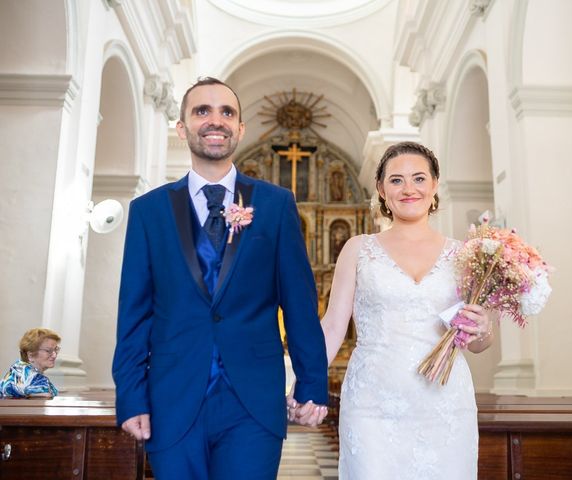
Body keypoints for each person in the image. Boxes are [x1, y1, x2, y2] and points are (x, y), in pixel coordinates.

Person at [112, 77, 328, 480]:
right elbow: (134, 315)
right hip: (172, 398)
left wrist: (312, 381)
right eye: (202, 111)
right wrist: (130, 395)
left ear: (241, 129)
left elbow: (299, 303)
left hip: (253, 401)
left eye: (227, 112)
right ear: (183, 128)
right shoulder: (148, 211)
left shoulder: (276, 205)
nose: (216, 120)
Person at [301, 142, 494, 478]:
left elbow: (476, 343)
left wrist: (483, 328)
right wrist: (306, 382)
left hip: (444, 400)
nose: (408, 189)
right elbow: (333, 327)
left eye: (419, 178)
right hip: (372, 403)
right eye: (396, 180)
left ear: (435, 185)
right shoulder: (358, 249)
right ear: (381, 189)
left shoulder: (464, 255)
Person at [0, 328, 61, 398]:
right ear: (30, 355)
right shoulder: (35, 379)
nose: (54, 355)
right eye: (48, 351)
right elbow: (43, 401)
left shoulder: (16, 371)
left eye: (56, 349)